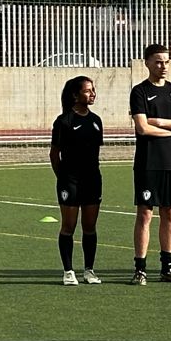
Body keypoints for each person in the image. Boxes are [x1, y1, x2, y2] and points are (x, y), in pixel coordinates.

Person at [129, 43, 171, 285]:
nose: (163, 66)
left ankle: (167, 268)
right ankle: (140, 269)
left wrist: (160, 122)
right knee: (145, 214)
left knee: (170, 213)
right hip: (148, 163)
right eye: (158, 62)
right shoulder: (140, 92)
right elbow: (142, 128)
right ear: (146, 63)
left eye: (166, 62)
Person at [50, 75, 103, 287]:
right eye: (88, 90)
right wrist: (63, 178)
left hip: (93, 180)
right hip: (70, 181)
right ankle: (68, 271)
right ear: (75, 95)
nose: (92, 94)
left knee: (89, 226)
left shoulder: (96, 121)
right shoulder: (64, 122)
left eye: (93, 90)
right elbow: (54, 155)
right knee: (69, 226)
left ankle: (89, 270)